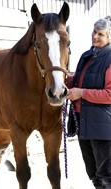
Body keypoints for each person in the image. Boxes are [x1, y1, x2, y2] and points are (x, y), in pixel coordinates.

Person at [66, 16, 111, 189]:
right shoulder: (88, 55)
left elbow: (109, 94)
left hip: (102, 128)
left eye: (100, 34)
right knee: (93, 174)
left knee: (105, 176)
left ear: (109, 38)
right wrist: (68, 80)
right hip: (83, 122)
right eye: (94, 32)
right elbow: (79, 81)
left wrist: (81, 93)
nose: (95, 36)